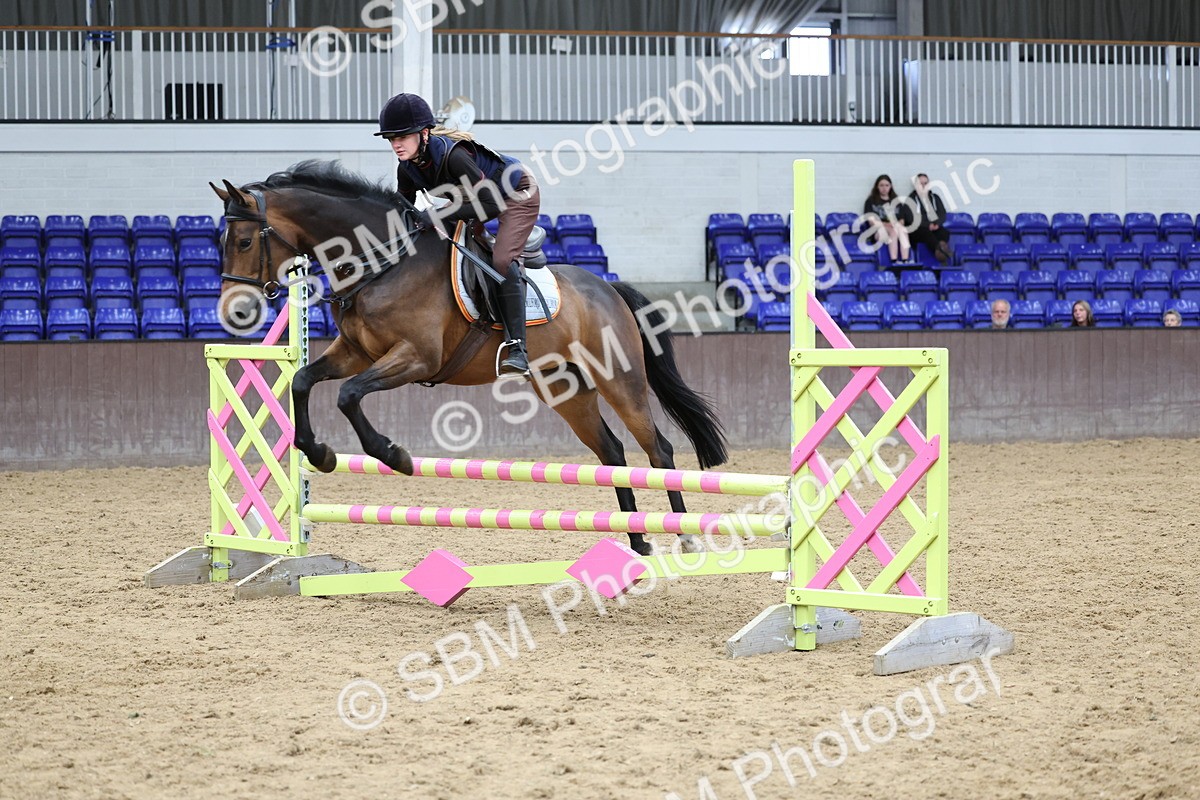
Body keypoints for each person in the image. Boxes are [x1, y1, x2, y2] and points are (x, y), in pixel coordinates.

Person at [375, 92, 540, 378]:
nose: (396, 145)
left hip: (515, 193)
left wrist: (435, 216)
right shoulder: (408, 168)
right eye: (391, 138)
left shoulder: (455, 157)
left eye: (402, 136)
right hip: (474, 200)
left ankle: (518, 349)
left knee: (500, 261)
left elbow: (490, 205)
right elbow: (403, 212)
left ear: (424, 133)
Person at [861, 174, 913, 263]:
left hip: (894, 228)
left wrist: (896, 225)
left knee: (902, 230)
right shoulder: (871, 201)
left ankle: (905, 260)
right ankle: (894, 260)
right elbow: (871, 222)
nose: (884, 188)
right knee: (892, 231)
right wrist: (888, 225)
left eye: (886, 185)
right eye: (881, 185)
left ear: (890, 186)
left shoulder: (895, 201)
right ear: (877, 187)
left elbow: (902, 220)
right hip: (878, 232)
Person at [908, 173, 953, 265]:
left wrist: (936, 224)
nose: (923, 186)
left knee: (944, 232)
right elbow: (911, 218)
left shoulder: (935, 198)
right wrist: (928, 224)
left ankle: (940, 251)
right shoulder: (910, 199)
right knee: (926, 233)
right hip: (917, 230)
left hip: (934, 227)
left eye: (926, 183)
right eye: (921, 183)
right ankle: (942, 252)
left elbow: (942, 214)